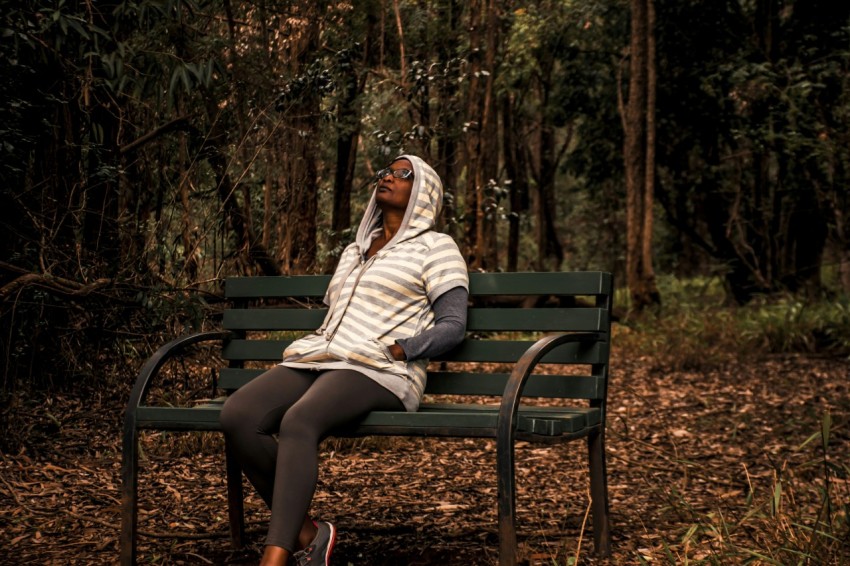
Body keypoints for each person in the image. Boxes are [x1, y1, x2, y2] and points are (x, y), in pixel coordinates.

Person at [219, 155, 469, 566]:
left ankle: (275, 558)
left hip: (381, 368)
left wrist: (402, 348)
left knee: (300, 420)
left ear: (425, 192)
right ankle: (309, 535)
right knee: (239, 414)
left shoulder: (436, 247)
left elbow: (453, 325)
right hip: (323, 356)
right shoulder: (355, 251)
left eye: (401, 173)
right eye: (385, 170)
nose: (387, 176)